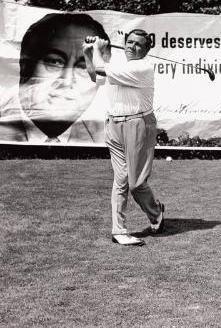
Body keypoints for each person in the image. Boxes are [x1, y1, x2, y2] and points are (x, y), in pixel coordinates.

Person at [83, 29, 165, 245]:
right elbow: (94, 74)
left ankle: (156, 212)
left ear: (147, 49)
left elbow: (101, 67)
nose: (132, 46)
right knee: (120, 179)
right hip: (113, 125)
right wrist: (87, 52)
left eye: (138, 44)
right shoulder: (118, 65)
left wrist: (98, 50)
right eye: (129, 42)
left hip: (139, 125)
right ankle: (119, 230)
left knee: (136, 184)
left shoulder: (143, 67)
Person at [0, 13, 108, 143]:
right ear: (24, 65)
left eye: (84, 67)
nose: (66, 81)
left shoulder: (105, 139)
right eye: (54, 62)